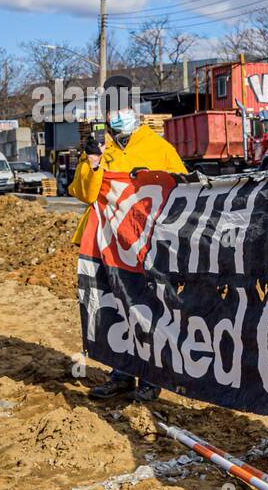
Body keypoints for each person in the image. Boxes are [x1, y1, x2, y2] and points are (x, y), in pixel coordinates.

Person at [68, 106, 187, 402]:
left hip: (146, 243)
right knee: (114, 305)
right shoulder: (101, 149)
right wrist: (93, 163)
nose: (118, 118)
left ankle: (150, 377)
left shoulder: (159, 148)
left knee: (145, 307)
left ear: (136, 114)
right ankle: (121, 374)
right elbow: (85, 193)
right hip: (108, 242)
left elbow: (183, 189)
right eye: (113, 112)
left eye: (124, 109)